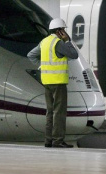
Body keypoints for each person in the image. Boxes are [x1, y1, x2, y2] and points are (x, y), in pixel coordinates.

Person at [27, 18, 78, 148]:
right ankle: (58, 141)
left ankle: (48, 140)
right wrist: (67, 41)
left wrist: (42, 67)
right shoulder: (59, 43)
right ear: (60, 31)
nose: (65, 33)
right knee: (59, 112)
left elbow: (30, 55)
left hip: (47, 82)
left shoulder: (44, 42)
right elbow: (74, 54)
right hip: (58, 82)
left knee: (50, 112)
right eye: (64, 30)